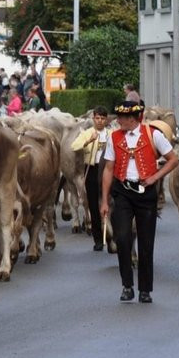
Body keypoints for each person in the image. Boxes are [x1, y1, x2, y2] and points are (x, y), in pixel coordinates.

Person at [99, 100, 179, 304]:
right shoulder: (114, 137)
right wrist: (105, 200)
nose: (118, 121)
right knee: (123, 239)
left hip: (146, 193)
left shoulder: (154, 135)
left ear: (133, 119)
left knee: (145, 243)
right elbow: (109, 168)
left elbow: (173, 159)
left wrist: (155, 177)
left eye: (122, 118)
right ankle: (127, 285)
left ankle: (145, 289)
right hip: (123, 192)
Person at [71, 106, 110, 252]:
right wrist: (88, 141)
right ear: (93, 118)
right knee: (93, 205)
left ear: (106, 120)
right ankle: (98, 239)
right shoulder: (87, 133)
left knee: (109, 202)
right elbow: (74, 146)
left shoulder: (111, 134)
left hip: (107, 169)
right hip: (92, 170)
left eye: (102, 118)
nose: (100, 121)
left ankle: (110, 233)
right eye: (97, 118)